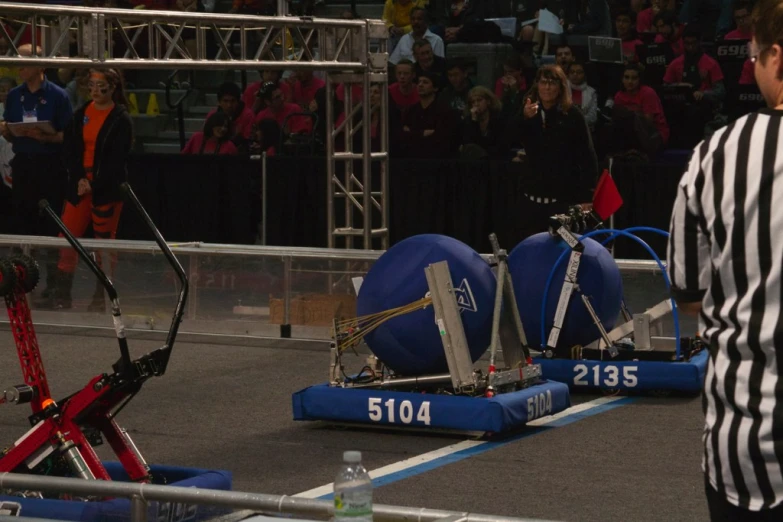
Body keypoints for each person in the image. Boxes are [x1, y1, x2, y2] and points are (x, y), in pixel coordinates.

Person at [667, 1, 783, 519]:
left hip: (749, 439)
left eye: (755, 56)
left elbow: (688, 292)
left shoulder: (715, 154)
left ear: (776, 59)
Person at [38, 69, 133, 310]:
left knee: (104, 242)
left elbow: (117, 160)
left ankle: (102, 294)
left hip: (106, 188)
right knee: (66, 237)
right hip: (79, 186)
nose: (96, 90)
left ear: (113, 88)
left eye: (102, 86)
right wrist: (80, 178)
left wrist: (94, 182)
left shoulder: (121, 118)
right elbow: (69, 150)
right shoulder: (80, 114)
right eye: (92, 85)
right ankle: (62, 293)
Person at [0, 44, 72, 292]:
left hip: (49, 165)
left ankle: (54, 285)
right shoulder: (13, 96)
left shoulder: (58, 95)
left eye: (25, 59)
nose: (19, 64)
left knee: (50, 224)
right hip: (23, 165)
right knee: (22, 220)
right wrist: (8, 132)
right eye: (16, 59)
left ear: (41, 65)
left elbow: (67, 136)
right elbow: (11, 133)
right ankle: (20, 280)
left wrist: (46, 137)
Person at [513, 64, 598, 238]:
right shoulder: (529, 112)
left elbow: (587, 157)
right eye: (543, 82)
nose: (547, 87)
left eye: (552, 83)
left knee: (562, 252)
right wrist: (525, 119)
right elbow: (509, 139)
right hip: (531, 199)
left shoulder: (573, 115)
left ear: (561, 87)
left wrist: (587, 195)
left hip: (562, 201)